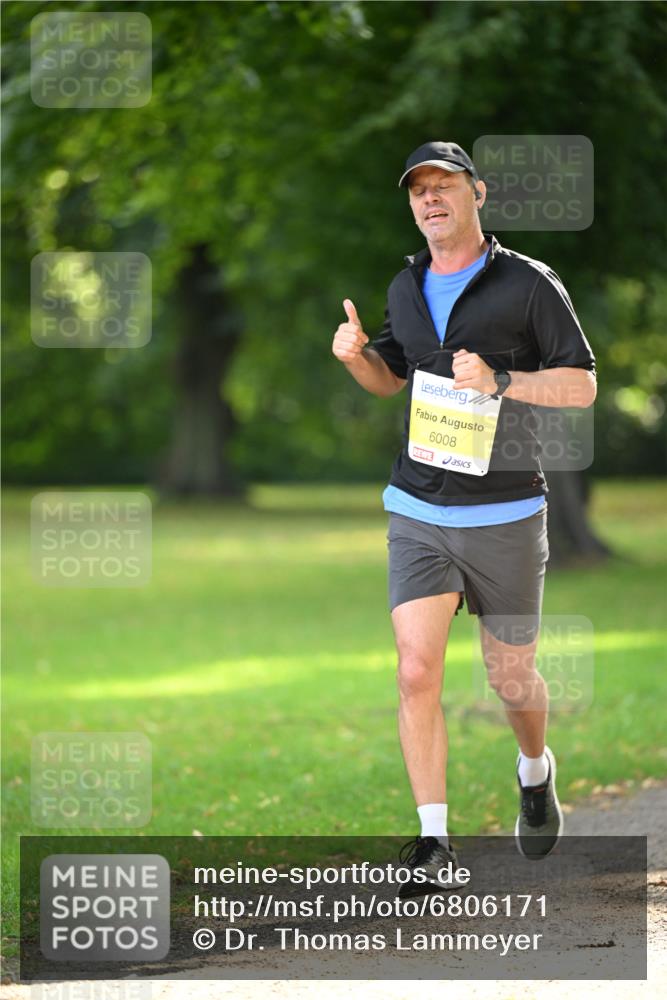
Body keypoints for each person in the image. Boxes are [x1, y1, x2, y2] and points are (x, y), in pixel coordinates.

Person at [331, 141, 596, 896]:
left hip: (506, 510)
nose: (429, 200)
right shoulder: (406, 285)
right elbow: (390, 378)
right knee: (415, 668)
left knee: (509, 675)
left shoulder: (527, 284)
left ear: (476, 193)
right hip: (417, 503)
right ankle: (433, 841)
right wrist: (355, 357)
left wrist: (503, 379)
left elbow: (580, 388)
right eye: (418, 191)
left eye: (443, 186)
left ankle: (535, 772)